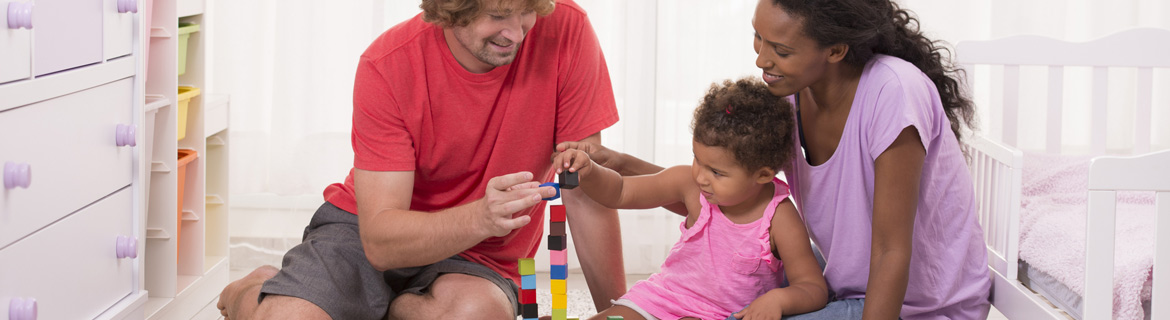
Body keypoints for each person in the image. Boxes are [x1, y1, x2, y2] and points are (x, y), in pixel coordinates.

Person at [556, 0, 992, 318]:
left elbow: (891, 249)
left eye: (781, 50)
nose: (762, 59)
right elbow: (717, 191)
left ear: (835, 51)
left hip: (915, 304)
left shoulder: (895, 93)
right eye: (758, 37)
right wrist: (619, 163)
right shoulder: (789, 99)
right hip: (842, 281)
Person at [215, 0, 628, 319]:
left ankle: (381, 306)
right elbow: (380, 242)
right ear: (451, 9)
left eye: (526, 13)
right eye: (499, 15)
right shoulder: (388, 64)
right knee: (289, 315)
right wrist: (481, 216)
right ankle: (253, 290)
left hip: (479, 253)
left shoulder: (567, 29)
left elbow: (586, 190)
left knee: (475, 314)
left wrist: (618, 310)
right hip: (369, 230)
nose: (517, 32)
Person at [554, 78, 828, 320]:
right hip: (662, 299)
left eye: (717, 172)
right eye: (698, 159)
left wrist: (777, 299)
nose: (702, 177)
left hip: (723, 315)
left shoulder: (780, 218)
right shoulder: (688, 183)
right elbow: (621, 192)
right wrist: (589, 171)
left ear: (763, 175)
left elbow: (813, 288)